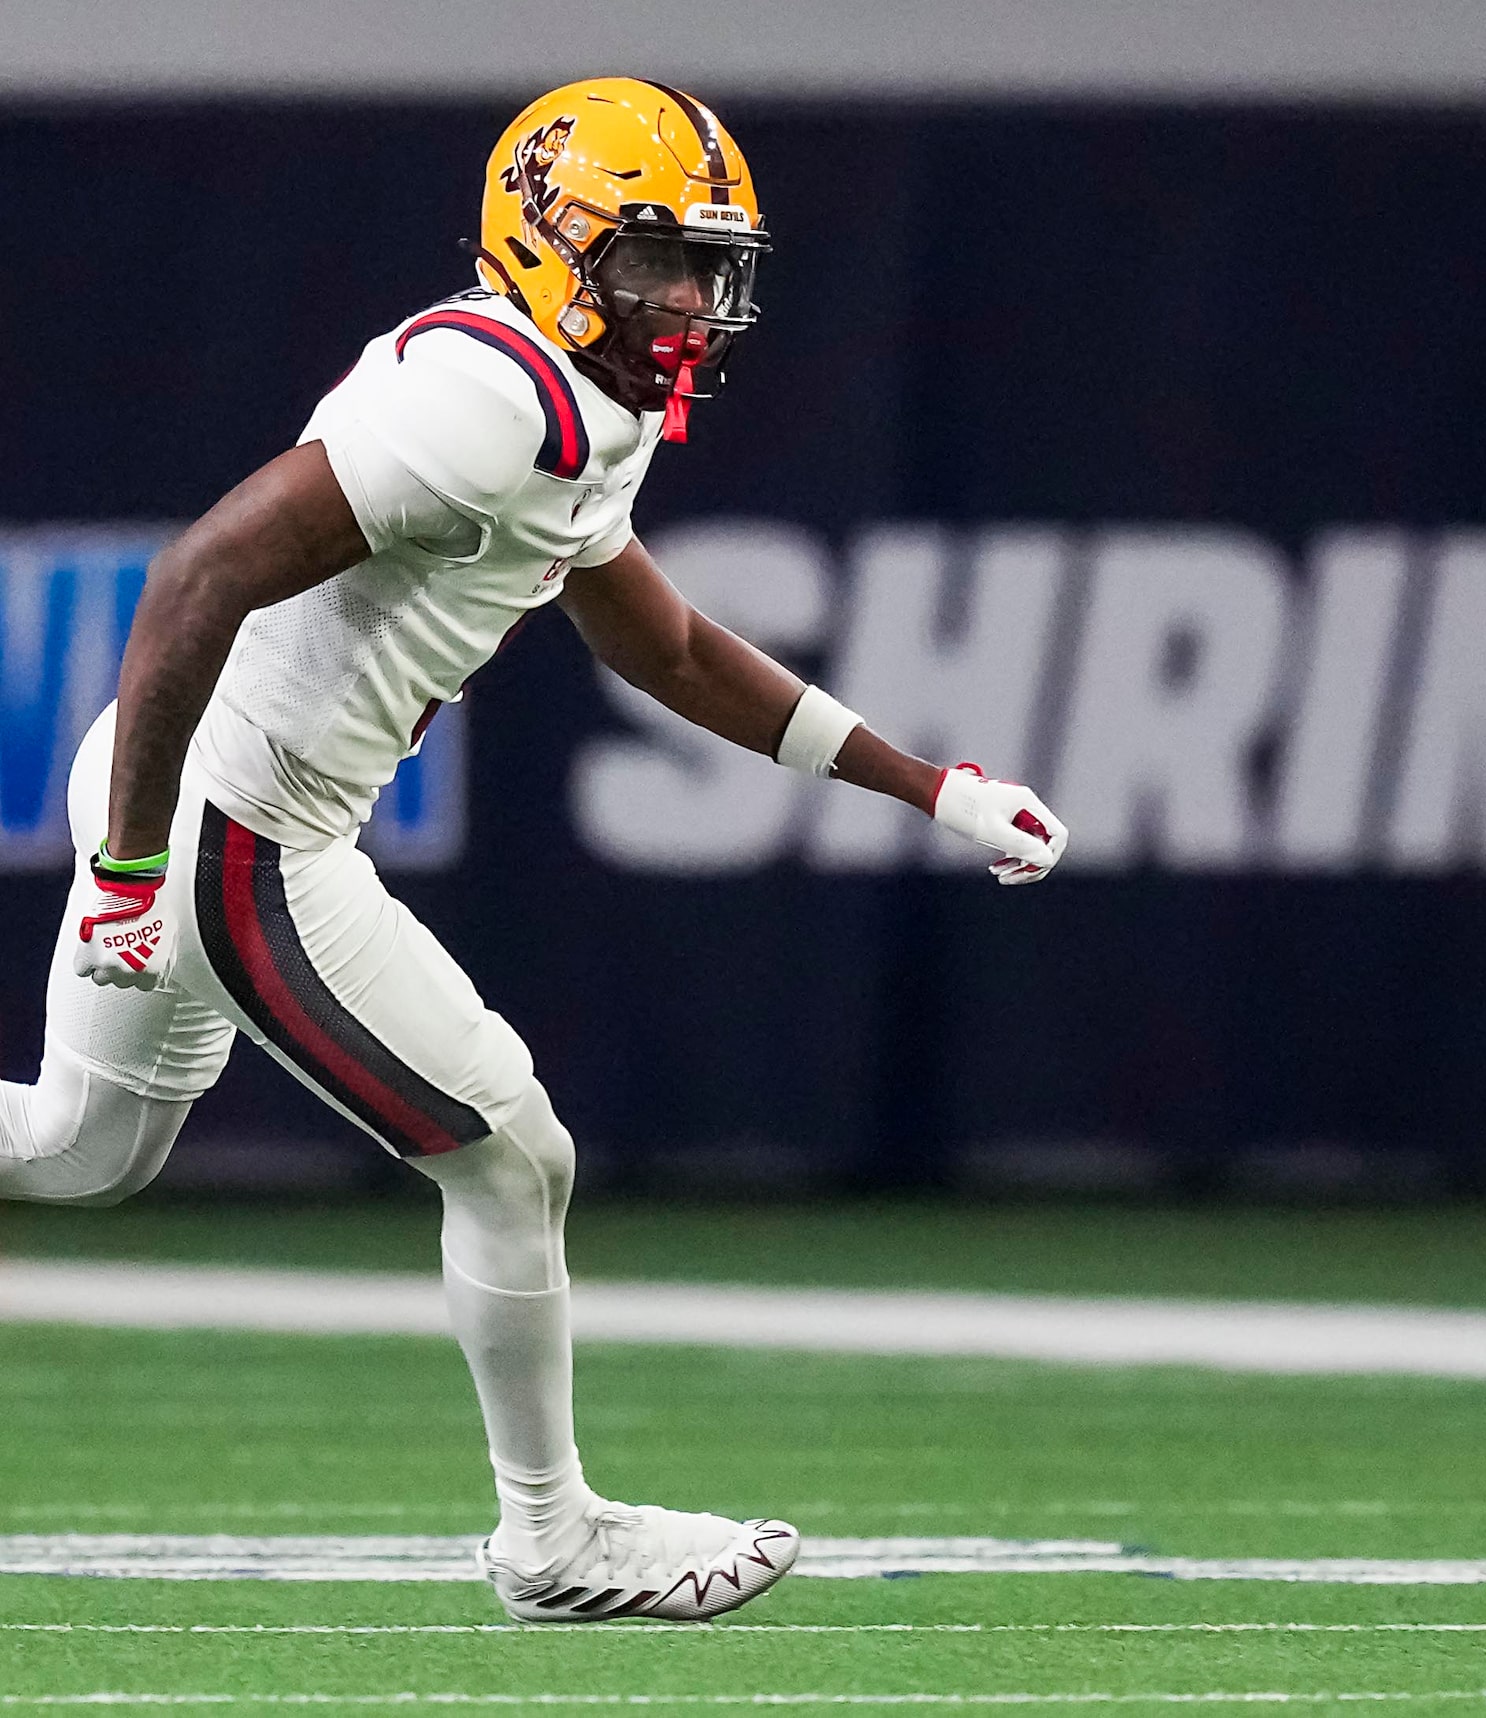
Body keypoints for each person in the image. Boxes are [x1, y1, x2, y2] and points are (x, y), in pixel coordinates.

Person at [23, 79, 1069, 1623]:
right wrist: (128, 869)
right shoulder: (484, 400)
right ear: (556, 240)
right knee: (513, 1158)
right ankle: (552, 1537)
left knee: (75, 1148)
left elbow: (674, 651)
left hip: (193, 792)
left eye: (711, 265)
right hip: (231, 822)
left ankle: (555, 1534)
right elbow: (195, 580)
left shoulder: (593, 404)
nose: (696, 301)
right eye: (660, 260)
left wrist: (927, 788)